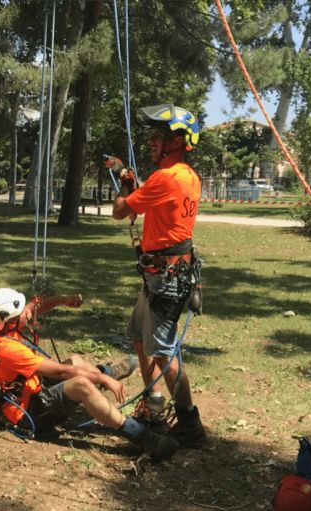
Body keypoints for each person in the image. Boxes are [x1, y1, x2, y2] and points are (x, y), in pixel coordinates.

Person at [0, 287, 178, 461]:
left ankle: (107, 372)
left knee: (75, 359)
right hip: (28, 416)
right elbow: (62, 371)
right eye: (21, 313)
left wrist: (62, 300)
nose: (28, 313)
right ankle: (142, 436)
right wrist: (103, 380)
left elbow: (33, 307)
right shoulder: (8, 350)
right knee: (80, 384)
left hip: (31, 388)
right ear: (10, 321)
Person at [111, 103, 207, 447]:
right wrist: (135, 185)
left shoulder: (167, 177)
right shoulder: (188, 176)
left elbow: (119, 212)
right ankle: (154, 408)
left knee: (164, 353)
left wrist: (124, 182)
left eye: (158, 137)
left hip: (165, 279)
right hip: (164, 275)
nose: (151, 142)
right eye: (152, 136)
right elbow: (155, 208)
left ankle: (190, 422)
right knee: (139, 336)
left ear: (177, 142)